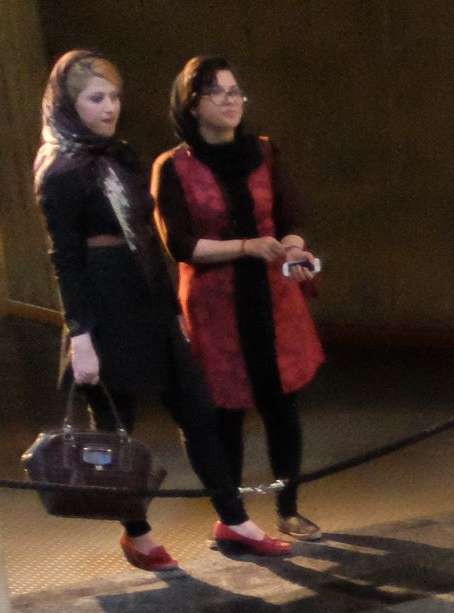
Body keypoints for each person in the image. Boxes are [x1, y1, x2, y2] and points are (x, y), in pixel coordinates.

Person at [35, 49, 294, 570]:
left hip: (146, 300)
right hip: (104, 307)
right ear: (68, 102)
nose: (109, 108)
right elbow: (64, 259)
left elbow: (148, 239)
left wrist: (171, 308)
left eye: (114, 96)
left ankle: (234, 518)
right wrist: (80, 333)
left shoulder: (118, 155)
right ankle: (138, 534)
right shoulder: (60, 168)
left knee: (198, 412)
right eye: (95, 98)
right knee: (115, 429)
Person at [154, 57, 326, 540]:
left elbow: (291, 217)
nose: (231, 101)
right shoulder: (173, 167)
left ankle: (288, 508)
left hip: (272, 296)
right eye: (218, 93)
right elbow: (181, 245)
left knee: (281, 404)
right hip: (216, 303)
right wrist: (248, 247)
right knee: (225, 410)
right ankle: (233, 519)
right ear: (192, 105)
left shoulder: (264, 152)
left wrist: (294, 247)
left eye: (236, 92)